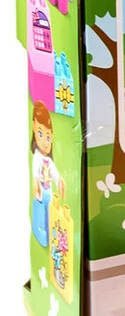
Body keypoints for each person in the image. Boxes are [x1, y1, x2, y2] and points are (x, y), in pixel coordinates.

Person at [31, 101, 64, 247]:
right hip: (40, 192)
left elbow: (55, 173)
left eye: (48, 137)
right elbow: (35, 170)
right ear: (34, 128)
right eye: (41, 134)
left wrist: (59, 180)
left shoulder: (49, 161)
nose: (45, 142)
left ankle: (50, 230)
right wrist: (36, 181)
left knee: (50, 211)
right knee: (39, 212)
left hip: (48, 192)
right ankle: (39, 229)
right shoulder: (37, 156)